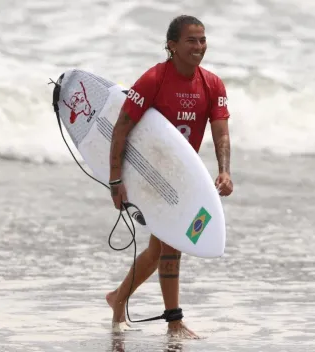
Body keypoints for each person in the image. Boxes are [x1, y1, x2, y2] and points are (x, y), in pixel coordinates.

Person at [105, 15, 233, 338]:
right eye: (191, 40)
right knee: (172, 245)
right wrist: (116, 179)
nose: (199, 47)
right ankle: (172, 321)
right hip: (150, 176)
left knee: (158, 249)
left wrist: (224, 171)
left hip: (182, 179)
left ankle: (118, 299)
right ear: (172, 46)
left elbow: (221, 134)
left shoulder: (212, 84)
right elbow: (121, 128)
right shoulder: (154, 80)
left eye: (203, 40)